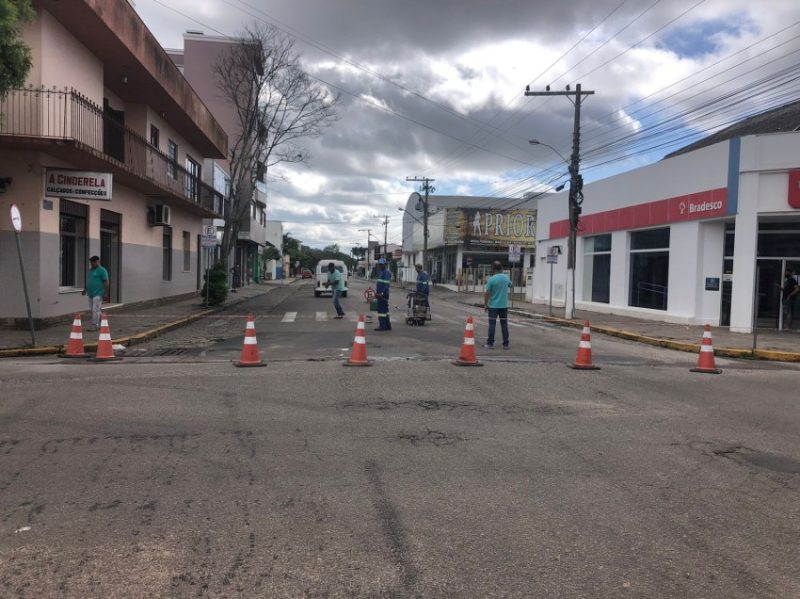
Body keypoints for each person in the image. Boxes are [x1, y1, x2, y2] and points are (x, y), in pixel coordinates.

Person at [483, 261, 512, 350]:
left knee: (492, 325)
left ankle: (490, 343)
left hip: (493, 306)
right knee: (504, 325)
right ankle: (506, 344)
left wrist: (485, 304)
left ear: (493, 269)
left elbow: (487, 293)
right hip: (503, 306)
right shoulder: (506, 278)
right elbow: (511, 285)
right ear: (501, 268)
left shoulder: (491, 279)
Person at [82, 255, 109, 331]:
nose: (91, 264)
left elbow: (106, 281)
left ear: (97, 261)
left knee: (95, 309)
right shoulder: (91, 270)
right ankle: (102, 321)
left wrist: (105, 293)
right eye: (91, 263)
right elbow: (88, 281)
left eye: (93, 262)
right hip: (91, 293)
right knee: (93, 309)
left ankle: (95, 325)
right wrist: (85, 290)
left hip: (98, 293)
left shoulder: (102, 270)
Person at [374, 258, 392, 331]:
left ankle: (382, 326)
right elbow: (380, 284)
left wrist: (381, 293)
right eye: (380, 264)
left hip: (383, 295)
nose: (380, 266)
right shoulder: (381, 272)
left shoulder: (386, 272)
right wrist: (377, 292)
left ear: (385, 264)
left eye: (382, 264)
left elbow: (386, 285)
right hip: (380, 294)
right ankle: (387, 325)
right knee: (385, 310)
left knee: (381, 311)